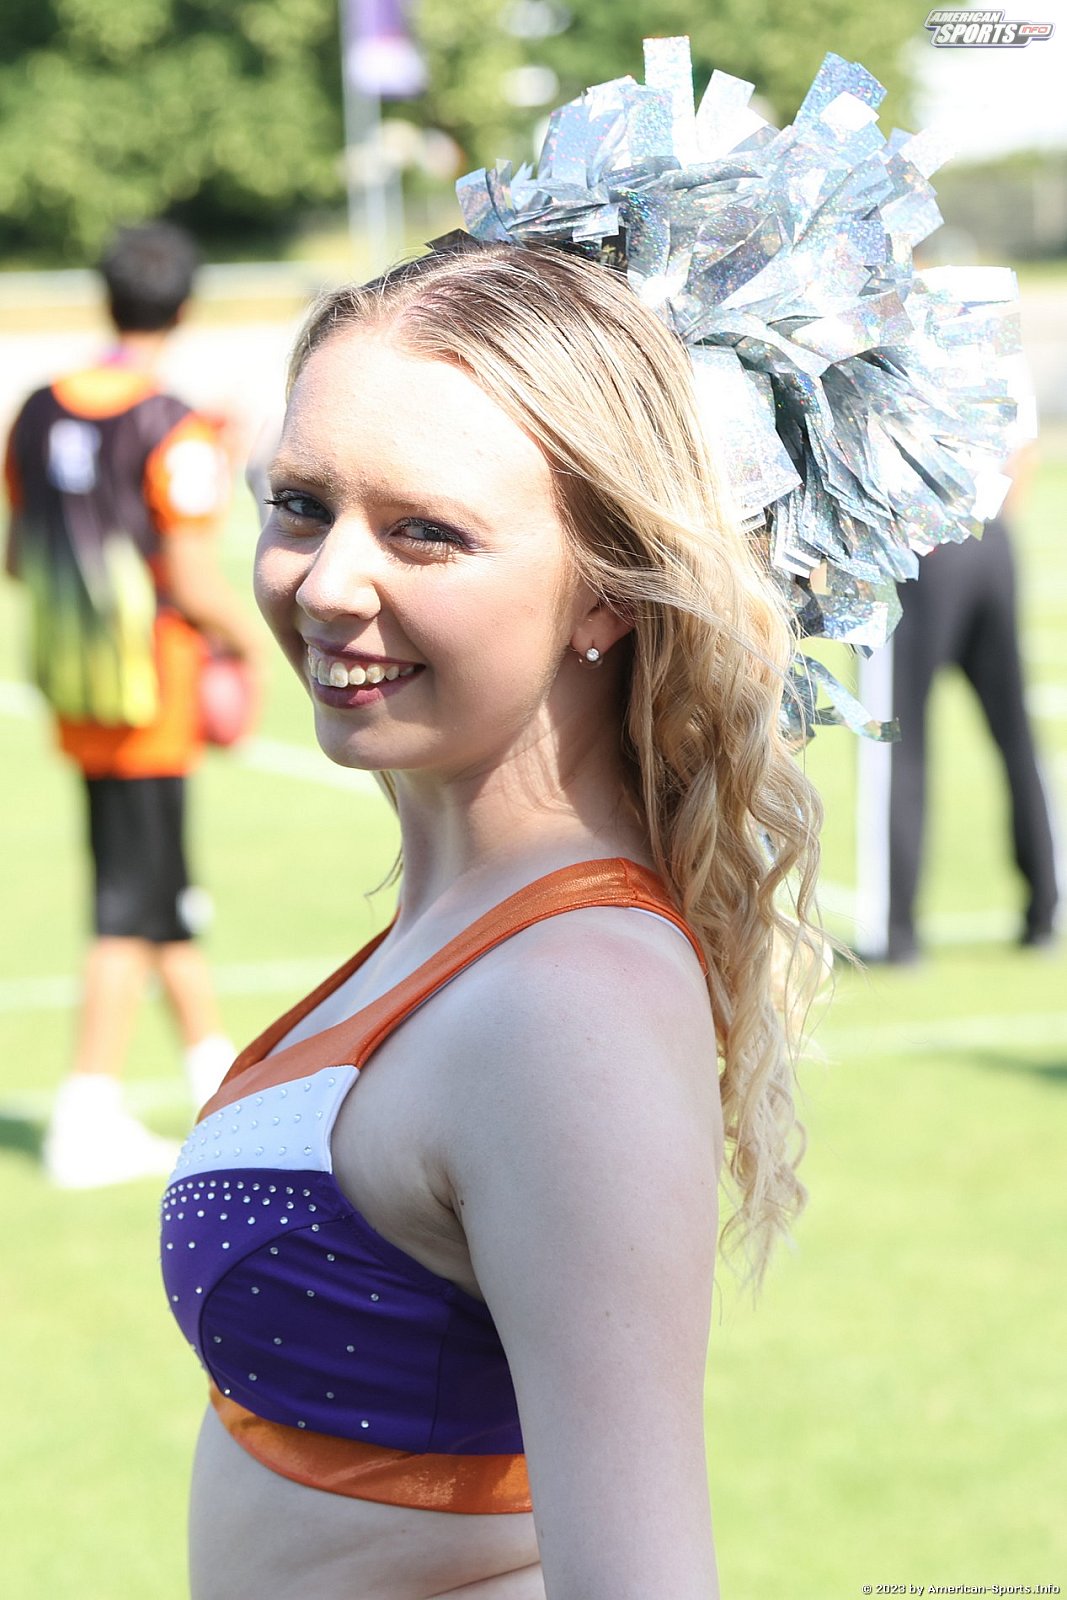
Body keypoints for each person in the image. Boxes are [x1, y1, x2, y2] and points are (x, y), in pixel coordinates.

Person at [160, 242, 826, 1600]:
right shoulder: (468, 924)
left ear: (603, 588)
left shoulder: (570, 997)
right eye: (300, 505)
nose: (326, 583)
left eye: (424, 531)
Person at [4, 221, 264, 1188]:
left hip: (74, 677)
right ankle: (87, 1111)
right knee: (131, 899)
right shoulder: (173, 424)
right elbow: (191, 576)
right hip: (150, 685)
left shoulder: (35, 409)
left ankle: (220, 1086)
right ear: (185, 307)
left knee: (158, 886)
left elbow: (17, 556)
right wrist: (247, 645)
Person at [885, 456, 1059, 963]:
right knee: (1017, 736)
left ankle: (893, 932)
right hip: (990, 533)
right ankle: (1045, 913)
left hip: (922, 546)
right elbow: (1022, 450)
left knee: (896, 743)